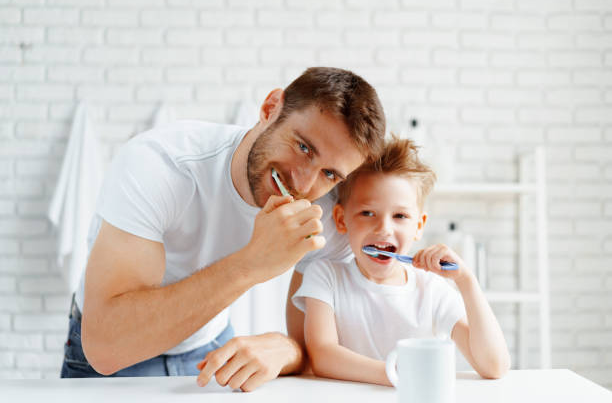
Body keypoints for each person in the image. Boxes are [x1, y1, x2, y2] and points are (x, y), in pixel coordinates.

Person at [60, 67, 386, 392]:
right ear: (271, 108)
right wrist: (252, 263)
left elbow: (320, 349)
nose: (303, 183)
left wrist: (286, 349)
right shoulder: (161, 165)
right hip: (114, 357)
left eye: (329, 173)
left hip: (211, 350)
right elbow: (106, 346)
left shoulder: (330, 214)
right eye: (303, 147)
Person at [292, 137, 511, 386]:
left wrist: (466, 281)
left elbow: (494, 366)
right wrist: (397, 373)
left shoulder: (432, 291)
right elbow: (322, 356)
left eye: (400, 216)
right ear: (341, 220)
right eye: (367, 213)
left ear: (418, 226)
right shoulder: (325, 276)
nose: (384, 228)